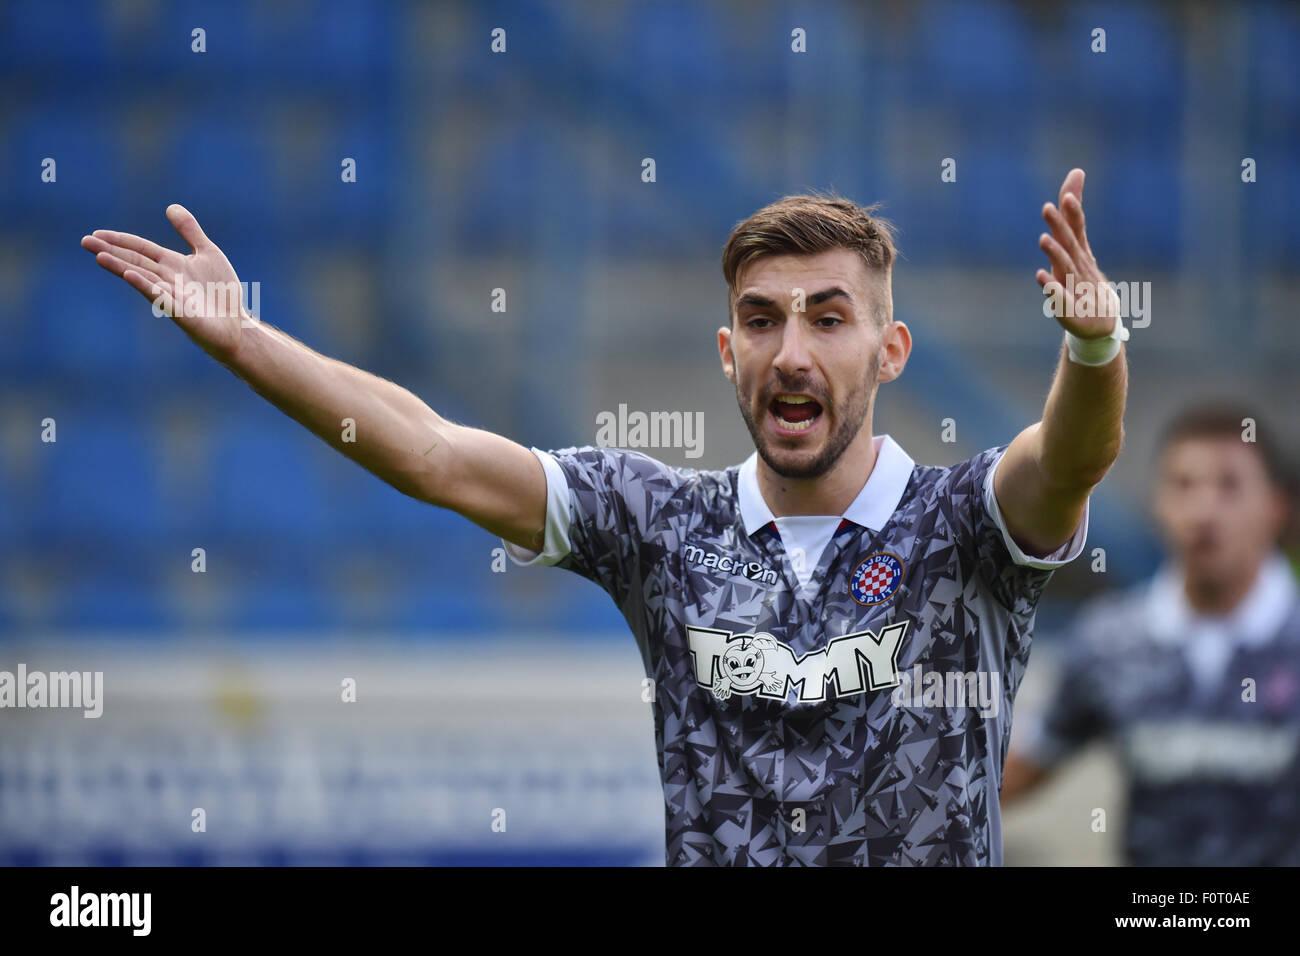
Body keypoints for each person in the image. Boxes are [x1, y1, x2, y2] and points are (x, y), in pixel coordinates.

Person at [81, 168, 1128, 865]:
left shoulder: (961, 524)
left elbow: (1072, 453)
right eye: (760, 320)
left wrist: (1090, 351)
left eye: (827, 317)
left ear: (889, 353)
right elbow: (432, 451)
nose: (791, 352)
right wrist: (245, 340)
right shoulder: (659, 520)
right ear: (728, 356)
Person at [1002, 405, 1300, 865]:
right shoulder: (1111, 642)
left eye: (1229, 485)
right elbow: (1013, 772)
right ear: (1157, 503)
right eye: (1183, 485)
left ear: (1276, 507)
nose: (1204, 509)